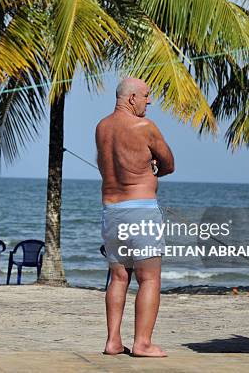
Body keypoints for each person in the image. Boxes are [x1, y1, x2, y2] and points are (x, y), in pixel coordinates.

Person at [95, 77, 174, 357]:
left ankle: (113, 341)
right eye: (146, 95)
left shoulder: (102, 128)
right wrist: (154, 169)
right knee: (149, 278)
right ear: (131, 98)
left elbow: (107, 162)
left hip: (111, 211)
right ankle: (142, 343)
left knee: (118, 277)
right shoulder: (144, 127)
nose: (149, 101)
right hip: (140, 209)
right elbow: (169, 164)